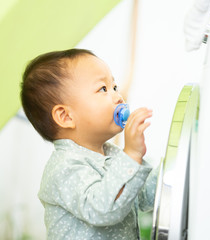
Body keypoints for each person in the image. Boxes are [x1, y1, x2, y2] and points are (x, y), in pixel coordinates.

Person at [20, 48, 157, 239]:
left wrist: (175, 166)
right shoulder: (64, 168)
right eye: (103, 89)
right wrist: (132, 155)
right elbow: (103, 209)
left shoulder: (113, 155)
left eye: (115, 87)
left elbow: (143, 196)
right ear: (66, 116)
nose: (118, 96)